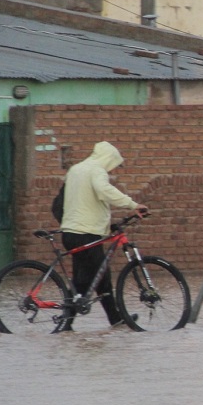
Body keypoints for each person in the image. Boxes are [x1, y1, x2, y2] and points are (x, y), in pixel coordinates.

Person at [59, 141, 149, 329]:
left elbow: (83, 201)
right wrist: (132, 204)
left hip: (70, 232)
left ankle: (106, 319)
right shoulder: (96, 170)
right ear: (109, 159)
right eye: (114, 164)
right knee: (94, 277)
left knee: (90, 278)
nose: (113, 169)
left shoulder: (76, 169)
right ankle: (70, 323)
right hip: (86, 233)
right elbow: (104, 191)